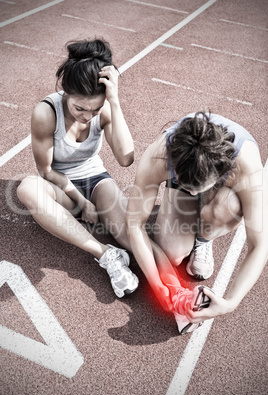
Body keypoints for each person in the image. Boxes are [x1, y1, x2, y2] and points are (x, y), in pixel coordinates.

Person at [17, 38, 139, 298]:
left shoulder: (105, 107)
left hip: (96, 180)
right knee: (27, 189)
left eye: (94, 110)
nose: (87, 116)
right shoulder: (46, 112)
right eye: (79, 108)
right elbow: (47, 171)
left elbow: (126, 159)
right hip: (61, 189)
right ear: (66, 93)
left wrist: (114, 103)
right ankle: (106, 254)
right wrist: (81, 203)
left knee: (135, 240)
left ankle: (173, 291)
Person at [126, 111, 268, 333]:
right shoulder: (158, 156)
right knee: (171, 254)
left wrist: (231, 303)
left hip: (226, 190)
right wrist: (157, 284)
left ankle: (203, 238)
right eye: (188, 186)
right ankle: (179, 202)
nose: (193, 192)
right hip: (191, 171)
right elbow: (134, 224)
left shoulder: (246, 168)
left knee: (227, 206)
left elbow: (260, 245)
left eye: (196, 189)